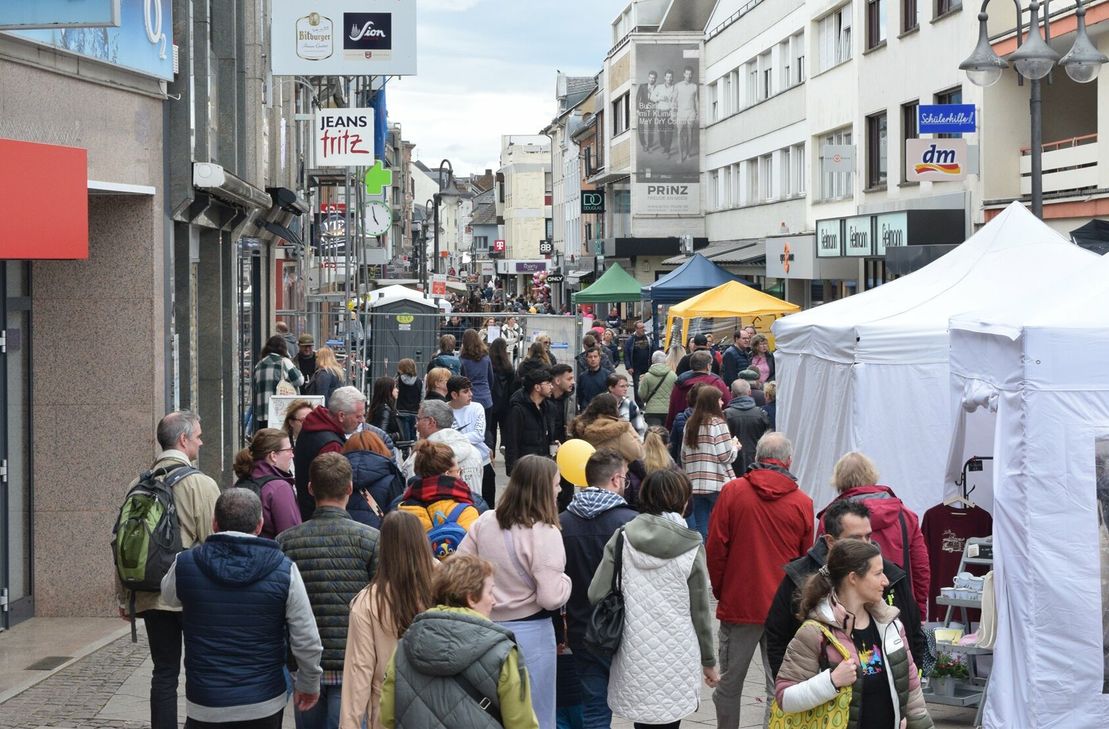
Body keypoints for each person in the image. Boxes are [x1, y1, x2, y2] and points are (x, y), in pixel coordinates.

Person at [161, 488, 322, 729]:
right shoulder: (283, 569)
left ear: (215, 523)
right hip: (263, 700)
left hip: (206, 702)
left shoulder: (186, 564)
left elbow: (169, 597)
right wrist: (309, 684)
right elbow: (307, 639)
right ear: (259, 525)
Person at [589, 470, 719, 729]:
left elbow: (595, 593)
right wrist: (709, 662)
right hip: (677, 654)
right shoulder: (691, 546)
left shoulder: (623, 537)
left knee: (643, 719)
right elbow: (701, 613)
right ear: (682, 501)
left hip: (634, 650)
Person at [116, 411, 220, 729]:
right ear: (183, 440)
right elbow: (215, 544)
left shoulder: (139, 482)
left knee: (164, 672)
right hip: (192, 595)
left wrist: (125, 596)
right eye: (198, 436)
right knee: (201, 669)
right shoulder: (201, 484)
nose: (201, 442)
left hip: (150, 592)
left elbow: (124, 540)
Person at [706, 432, 814, 729]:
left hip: (741, 601)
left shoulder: (733, 492)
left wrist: (722, 590)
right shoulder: (803, 502)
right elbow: (807, 561)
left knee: (729, 683)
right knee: (778, 685)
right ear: (788, 461)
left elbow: (715, 548)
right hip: (784, 605)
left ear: (756, 458)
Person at [457, 455, 572, 729]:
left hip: (485, 631)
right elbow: (550, 597)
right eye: (556, 485)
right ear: (543, 489)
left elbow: (459, 570)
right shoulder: (545, 531)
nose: (559, 491)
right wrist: (566, 581)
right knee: (535, 713)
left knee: (492, 711)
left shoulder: (485, 521)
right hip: (531, 634)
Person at [774, 540, 933, 729]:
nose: (886, 581)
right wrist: (831, 681)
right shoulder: (815, 632)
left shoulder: (891, 625)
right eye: (877, 573)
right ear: (853, 578)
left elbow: (912, 690)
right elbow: (785, 697)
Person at [765, 500, 926, 680]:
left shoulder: (891, 576)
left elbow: (913, 633)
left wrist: (909, 684)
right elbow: (777, 637)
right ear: (831, 541)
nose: (866, 545)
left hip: (882, 693)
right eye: (856, 539)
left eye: (868, 536)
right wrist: (793, 687)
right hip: (821, 696)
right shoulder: (800, 577)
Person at [277, 454, 380, 729]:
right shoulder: (370, 540)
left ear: (310, 489)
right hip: (354, 664)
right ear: (349, 488)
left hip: (304, 665)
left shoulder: (286, 542)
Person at [380, 554, 539, 729]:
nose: (494, 601)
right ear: (471, 598)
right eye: (490, 592)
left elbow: (388, 717)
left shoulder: (404, 647)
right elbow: (521, 724)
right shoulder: (503, 652)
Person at [560, 449, 638, 729]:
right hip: (625, 629)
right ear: (617, 479)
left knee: (593, 708)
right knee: (644, 708)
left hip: (581, 629)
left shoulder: (562, 522)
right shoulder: (631, 523)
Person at [340, 511, 436, 729]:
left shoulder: (367, 602)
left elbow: (359, 672)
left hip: (389, 710)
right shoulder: (446, 588)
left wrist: (350, 724)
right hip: (441, 704)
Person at [818, 452, 931, 616]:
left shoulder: (830, 518)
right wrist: (919, 610)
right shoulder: (905, 515)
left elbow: (820, 567)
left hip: (847, 610)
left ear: (839, 479)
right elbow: (920, 568)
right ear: (871, 475)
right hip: (898, 606)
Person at [293, 386, 367, 520]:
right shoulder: (331, 445)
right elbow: (333, 489)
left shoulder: (312, 427)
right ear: (341, 415)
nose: (362, 420)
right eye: (358, 416)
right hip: (323, 518)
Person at [398, 440, 482, 553]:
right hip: (457, 569)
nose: (459, 476)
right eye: (458, 471)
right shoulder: (469, 508)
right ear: (447, 473)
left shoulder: (401, 509)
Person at [680, 386, 738, 541]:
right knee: (724, 524)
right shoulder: (718, 423)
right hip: (717, 482)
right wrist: (735, 447)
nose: (722, 402)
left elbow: (683, 456)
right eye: (719, 399)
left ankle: (702, 556)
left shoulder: (690, 424)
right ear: (712, 402)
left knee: (701, 526)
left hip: (695, 483)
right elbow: (726, 456)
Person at [401, 399, 484, 498]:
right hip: (471, 510)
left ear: (431, 422)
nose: (416, 425)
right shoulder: (474, 452)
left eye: (418, 419)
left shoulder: (422, 456)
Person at [232, 428, 301, 539]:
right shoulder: (279, 488)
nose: (292, 455)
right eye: (289, 450)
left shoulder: (244, 480)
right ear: (273, 456)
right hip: (269, 554)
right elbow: (291, 537)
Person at [447, 375, 496, 506]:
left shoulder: (477, 407)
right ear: (454, 394)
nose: (471, 394)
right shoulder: (445, 411)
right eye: (465, 391)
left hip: (483, 460)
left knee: (487, 503)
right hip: (459, 465)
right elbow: (447, 439)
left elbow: (479, 435)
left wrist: (456, 437)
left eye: (470, 390)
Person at [343, 431, 406, 530]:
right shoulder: (391, 479)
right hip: (379, 535)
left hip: (344, 532)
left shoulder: (337, 476)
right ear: (380, 448)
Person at [570, 393, 645, 469]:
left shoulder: (580, 427)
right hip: (610, 475)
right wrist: (629, 429)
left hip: (581, 470)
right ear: (614, 409)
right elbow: (638, 454)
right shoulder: (619, 430)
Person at [504, 367, 555, 478]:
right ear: (537, 387)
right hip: (526, 468)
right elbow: (512, 441)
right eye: (548, 383)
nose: (551, 386)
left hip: (543, 466)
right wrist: (512, 469)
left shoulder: (547, 407)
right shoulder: (518, 410)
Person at [253, 335, 305, 430]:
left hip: (263, 413)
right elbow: (300, 381)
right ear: (283, 348)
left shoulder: (258, 365)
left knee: (267, 441)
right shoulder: (284, 362)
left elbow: (255, 388)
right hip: (281, 413)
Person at [665, 350, 728, 429]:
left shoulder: (680, 383)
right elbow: (727, 402)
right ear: (708, 366)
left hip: (682, 425)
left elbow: (672, 407)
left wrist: (669, 427)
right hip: (710, 427)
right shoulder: (716, 383)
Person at [723, 379, 770, 474]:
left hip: (733, 462)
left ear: (732, 394)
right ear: (749, 392)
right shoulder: (761, 414)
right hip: (756, 461)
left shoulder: (725, 415)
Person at [461, 329, 496, 445]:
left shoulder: (463, 360)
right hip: (486, 398)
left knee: (470, 431)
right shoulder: (486, 358)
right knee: (486, 430)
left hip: (469, 399)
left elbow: (462, 379)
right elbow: (491, 378)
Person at [489, 337, 518, 453]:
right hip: (505, 401)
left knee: (491, 428)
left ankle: (491, 451)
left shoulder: (489, 364)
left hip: (492, 400)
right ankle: (504, 444)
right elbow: (512, 385)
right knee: (505, 426)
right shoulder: (509, 367)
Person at [637, 350, 677, 428]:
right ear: (665, 360)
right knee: (666, 435)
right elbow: (676, 393)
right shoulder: (673, 375)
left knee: (654, 436)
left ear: (652, 360)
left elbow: (642, 394)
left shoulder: (647, 376)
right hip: (668, 410)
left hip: (652, 411)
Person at [674, 66, 699, 164]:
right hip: (680, 113)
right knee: (679, 134)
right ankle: (681, 157)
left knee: (690, 134)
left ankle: (688, 154)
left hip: (691, 112)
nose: (689, 76)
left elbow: (696, 100)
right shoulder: (678, 85)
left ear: (692, 75)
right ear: (684, 74)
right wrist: (674, 113)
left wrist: (697, 113)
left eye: (690, 74)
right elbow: (674, 100)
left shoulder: (694, 86)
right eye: (687, 74)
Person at [608, 372, 646, 436]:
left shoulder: (630, 405)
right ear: (611, 388)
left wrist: (639, 443)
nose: (625, 389)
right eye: (622, 386)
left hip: (626, 442)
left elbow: (639, 428)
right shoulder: (600, 403)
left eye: (627, 386)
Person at [395, 359, 422, 443]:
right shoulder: (419, 381)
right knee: (413, 430)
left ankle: (405, 449)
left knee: (404, 432)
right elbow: (422, 395)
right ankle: (414, 446)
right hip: (414, 410)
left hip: (401, 410)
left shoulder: (398, 380)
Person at [548, 363, 576, 442]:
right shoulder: (545, 400)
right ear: (557, 381)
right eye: (569, 379)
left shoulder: (570, 399)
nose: (573, 382)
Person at [368, 376, 401, 442]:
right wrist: (397, 435)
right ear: (387, 390)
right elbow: (382, 435)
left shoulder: (378, 407)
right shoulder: (385, 410)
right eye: (394, 387)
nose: (397, 390)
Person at [651, 69, 676, 156]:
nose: (669, 78)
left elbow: (677, 101)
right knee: (661, 131)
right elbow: (652, 97)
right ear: (665, 77)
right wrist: (659, 99)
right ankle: (663, 145)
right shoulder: (659, 87)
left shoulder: (674, 88)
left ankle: (667, 150)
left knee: (669, 131)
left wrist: (671, 101)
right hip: (660, 113)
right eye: (667, 77)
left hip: (670, 113)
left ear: (672, 78)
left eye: (670, 77)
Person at [636, 70, 657, 151]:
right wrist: (637, 109)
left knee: (651, 128)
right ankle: (644, 144)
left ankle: (650, 144)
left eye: (653, 78)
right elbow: (638, 98)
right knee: (640, 127)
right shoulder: (642, 86)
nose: (652, 79)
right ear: (648, 78)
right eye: (650, 77)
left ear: (655, 79)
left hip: (652, 111)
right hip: (642, 110)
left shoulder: (657, 88)